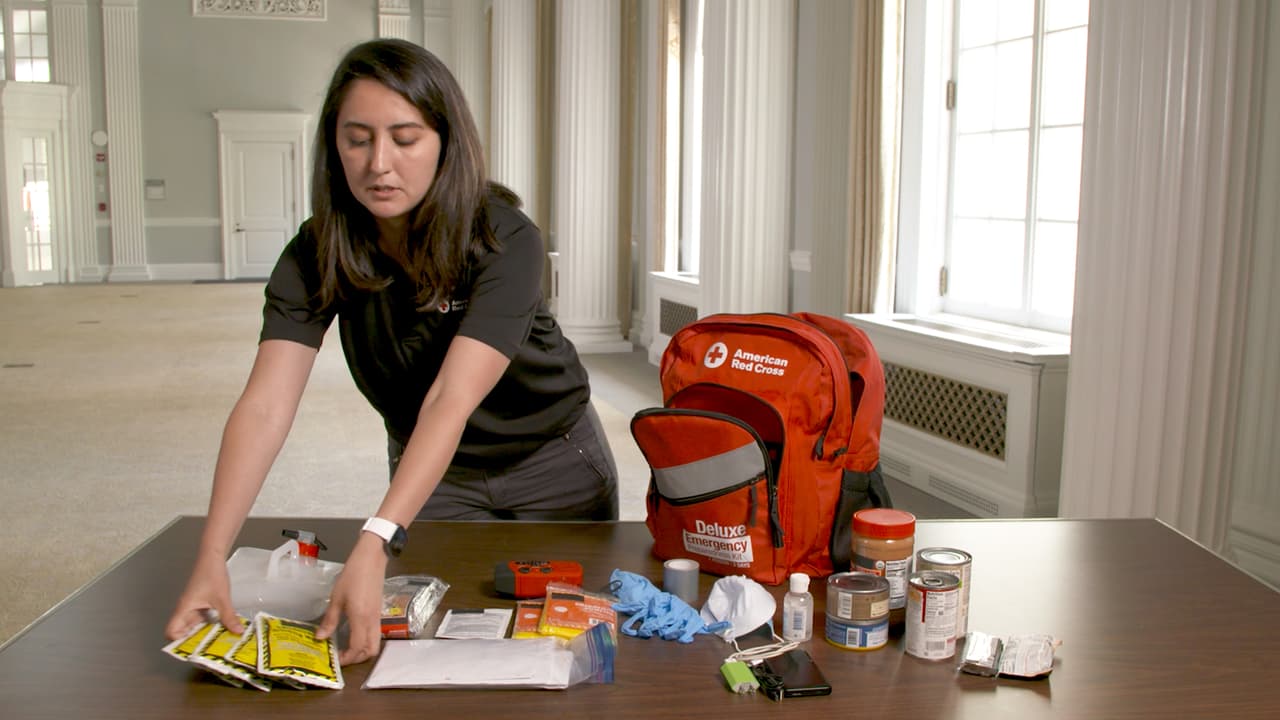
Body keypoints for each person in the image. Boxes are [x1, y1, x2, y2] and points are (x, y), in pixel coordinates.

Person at [164, 38, 619, 665]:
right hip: (437, 475)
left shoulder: (504, 236)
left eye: (405, 139)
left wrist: (374, 537)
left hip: (554, 459)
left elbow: (451, 396)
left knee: (577, 647)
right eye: (358, 139)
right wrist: (211, 554)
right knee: (446, 642)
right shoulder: (314, 252)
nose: (380, 163)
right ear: (334, 146)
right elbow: (266, 405)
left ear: (443, 142)